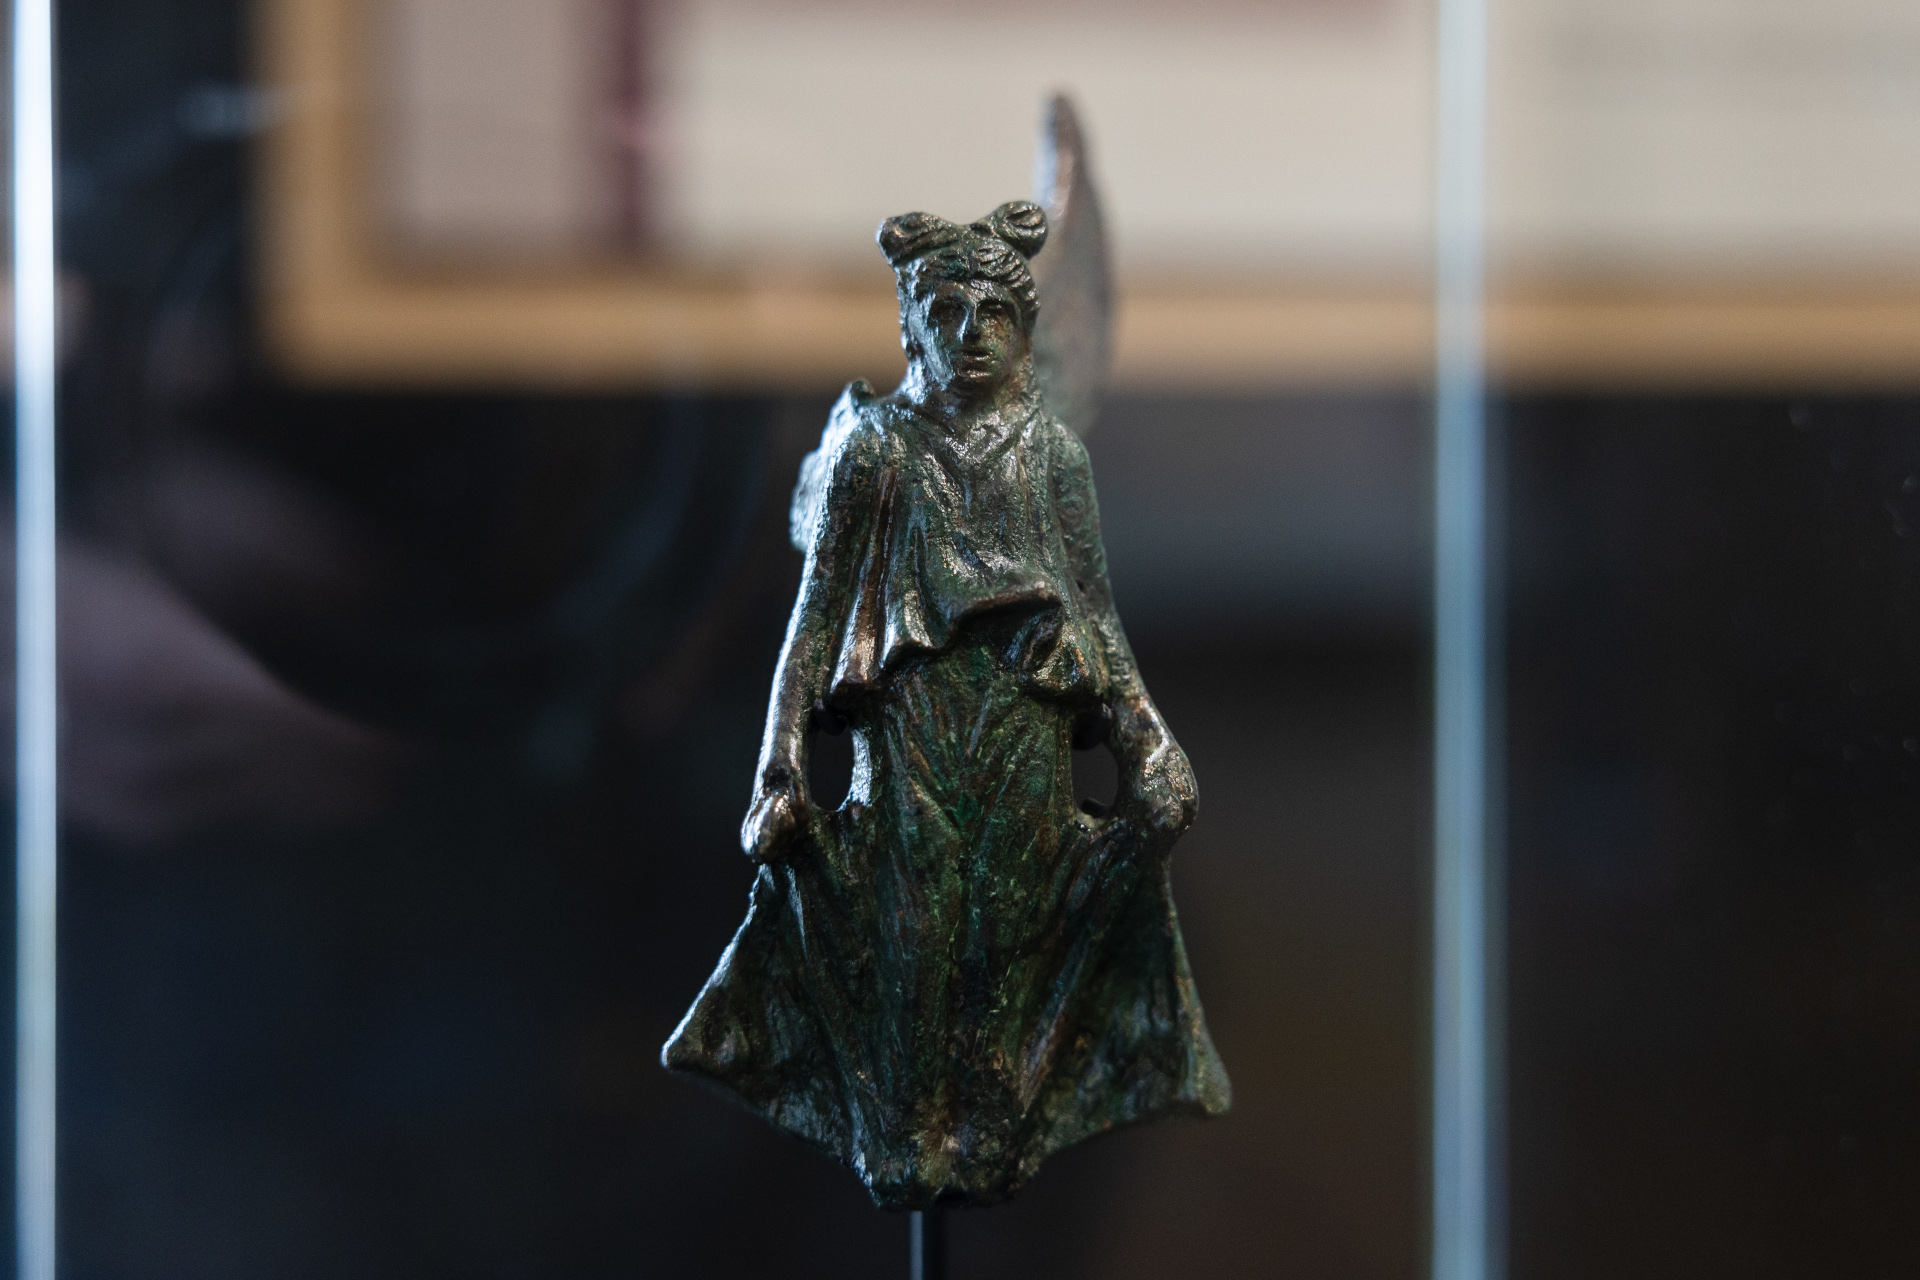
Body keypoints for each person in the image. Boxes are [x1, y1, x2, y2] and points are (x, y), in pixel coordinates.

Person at [663, 201, 1228, 1209]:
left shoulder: (1052, 458)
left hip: (1025, 737)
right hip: (913, 736)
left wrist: (1150, 743)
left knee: (1009, 939)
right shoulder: (877, 451)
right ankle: (900, 1134)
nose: (971, 334)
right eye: (946, 312)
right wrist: (780, 765)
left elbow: (1100, 620)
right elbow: (813, 624)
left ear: (1025, 328)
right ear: (910, 326)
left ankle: (996, 1125)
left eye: (993, 314)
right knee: (913, 936)